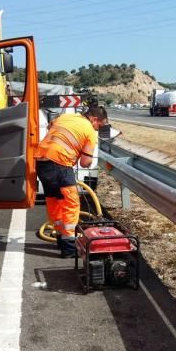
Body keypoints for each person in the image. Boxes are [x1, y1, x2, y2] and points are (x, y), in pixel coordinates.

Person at [35, 105, 108, 257]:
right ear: (94, 119)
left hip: (42, 163)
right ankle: (69, 249)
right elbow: (84, 163)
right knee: (71, 204)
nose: (97, 129)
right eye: (98, 125)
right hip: (60, 164)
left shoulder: (66, 117)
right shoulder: (89, 131)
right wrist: (83, 152)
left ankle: (61, 240)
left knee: (54, 201)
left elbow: (51, 125)